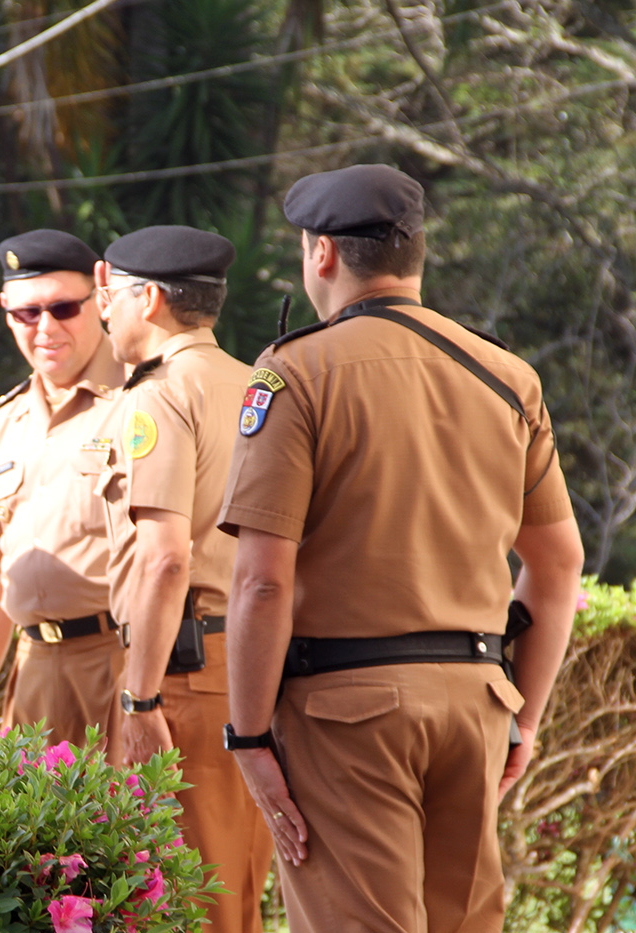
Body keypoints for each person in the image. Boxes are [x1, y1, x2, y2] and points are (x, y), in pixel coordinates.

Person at [218, 164, 584, 933]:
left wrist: (247, 736)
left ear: (322, 253)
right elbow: (557, 566)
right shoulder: (506, 376)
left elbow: (261, 583)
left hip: (344, 712)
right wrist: (522, 717)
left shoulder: (295, 373)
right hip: (475, 703)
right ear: (416, 252)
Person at [93, 225, 273, 933]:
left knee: (184, 896)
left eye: (112, 295)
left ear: (151, 300)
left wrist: (140, 698)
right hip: (255, 661)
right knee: (236, 888)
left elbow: (166, 558)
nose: (104, 310)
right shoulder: (261, 385)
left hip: (185, 676)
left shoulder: (160, 395)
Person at [0, 229, 126, 749]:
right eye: (27, 313)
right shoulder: (5, 423)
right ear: (7, 313)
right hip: (34, 670)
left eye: (63, 308)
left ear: (101, 300)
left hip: (123, 662)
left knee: (138, 803)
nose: (45, 327)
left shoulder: (143, 401)